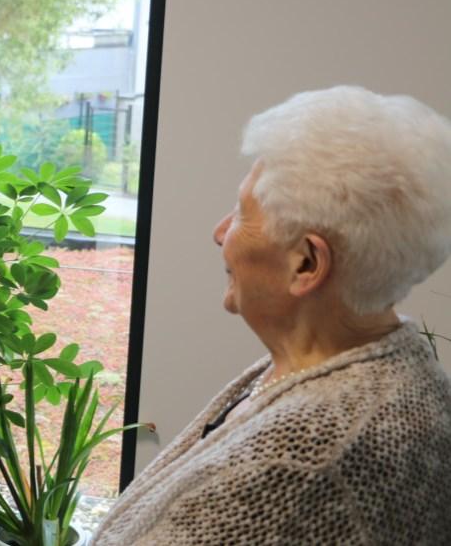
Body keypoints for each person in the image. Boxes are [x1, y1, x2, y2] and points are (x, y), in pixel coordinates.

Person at [94, 86, 451, 544]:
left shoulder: (305, 457)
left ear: (305, 263)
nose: (220, 233)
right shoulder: (360, 366)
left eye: (242, 213)